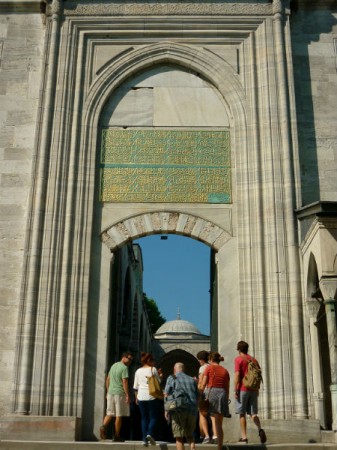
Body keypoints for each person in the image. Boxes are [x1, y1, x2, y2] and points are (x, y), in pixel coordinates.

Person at [234, 341, 267, 444]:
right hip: (253, 389)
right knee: (253, 414)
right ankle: (260, 429)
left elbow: (237, 374)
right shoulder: (254, 360)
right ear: (247, 349)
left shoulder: (238, 359)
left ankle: (244, 437)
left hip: (243, 389)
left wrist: (236, 389)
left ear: (238, 349)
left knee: (242, 413)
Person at [100, 351, 134, 441]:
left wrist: (108, 391)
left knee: (109, 413)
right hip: (120, 393)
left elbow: (108, 379)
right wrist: (127, 395)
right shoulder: (124, 368)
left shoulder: (114, 365)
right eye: (129, 359)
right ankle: (117, 435)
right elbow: (125, 382)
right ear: (124, 357)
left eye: (131, 360)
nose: (130, 361)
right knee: (119, 415)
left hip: (111, 393)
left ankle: (103, 426)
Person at [164, 362, 199, 450]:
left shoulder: (172, 377)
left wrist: (166, 410)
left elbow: (166, 394)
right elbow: (198, 396)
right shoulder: (192, 379)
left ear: (174, 369)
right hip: (192, 410)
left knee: (179, 437)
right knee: (190, 434)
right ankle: (192, 448)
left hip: (178, 410)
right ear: (184, 369)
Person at [200, 352, 230, 450]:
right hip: (222, 394)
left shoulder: (209, 368)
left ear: (210, 360)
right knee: (219, 423)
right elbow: (227, 387)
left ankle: (208, 436)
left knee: (206, 415)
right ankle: (219, 447)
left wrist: (199, 394)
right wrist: (226, 399)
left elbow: (204, 384)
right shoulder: (225, 371)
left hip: (212, 392)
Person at [133, 352, 161, 446]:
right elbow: (158, 382)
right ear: (148, 360)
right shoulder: (153, 369)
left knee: (144, 418)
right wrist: (160, 376)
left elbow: (135, 386)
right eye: (152, 360)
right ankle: (149, 433)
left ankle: (144, 439)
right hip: (151, 396)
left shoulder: (138, 371)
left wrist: (136, 397)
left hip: (141, 396)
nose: (154, 362)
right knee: (153, 417)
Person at [196, 350, 211, 444]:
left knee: (202, 414)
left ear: (201, 359)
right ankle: (213, 435)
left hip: (204, 393)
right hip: (212, 392)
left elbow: (201, 382)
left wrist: (199, 393)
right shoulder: (211, 366)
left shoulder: (202, 368)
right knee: (212, 415)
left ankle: (205, 436)